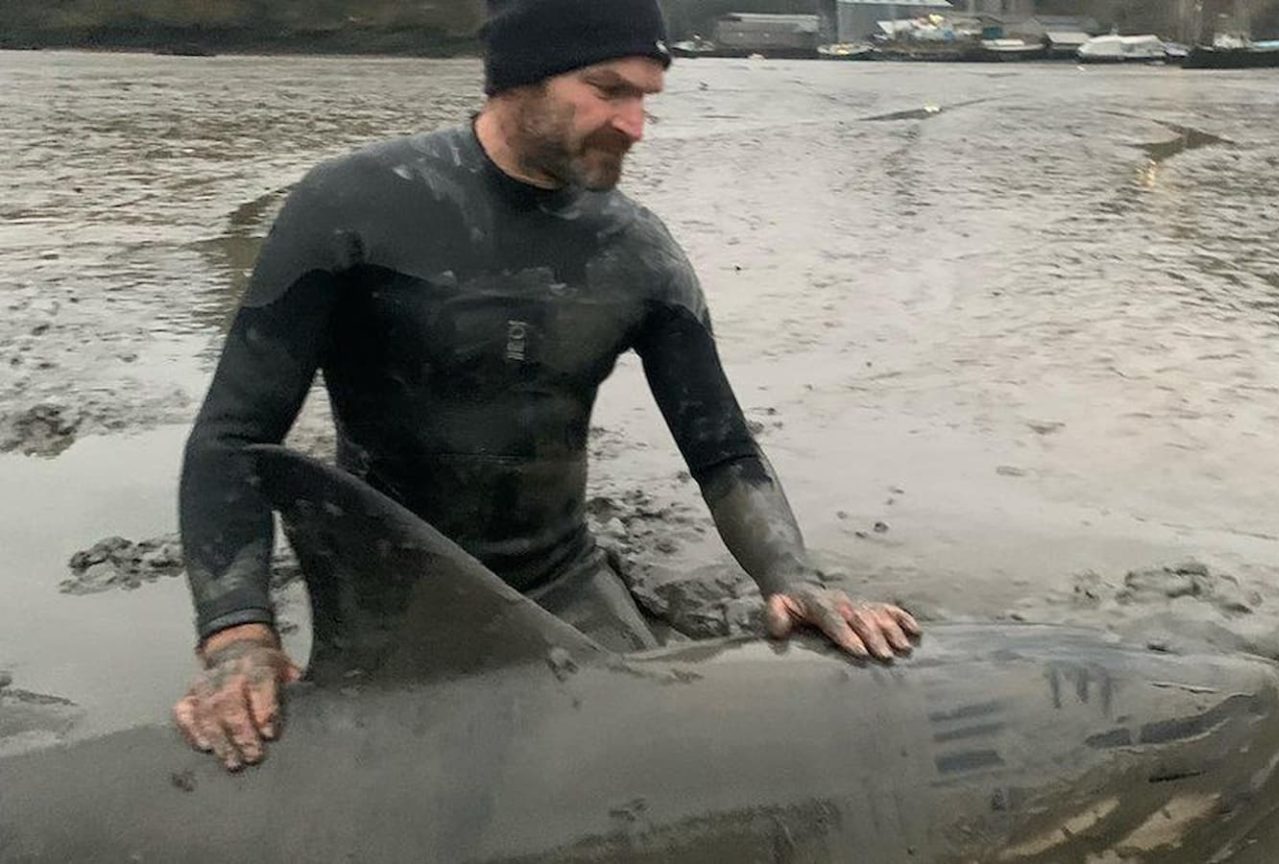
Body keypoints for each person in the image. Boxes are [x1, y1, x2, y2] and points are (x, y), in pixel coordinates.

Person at [173, 0, 921, 772]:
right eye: (609, 90)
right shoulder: (351, 206)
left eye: (645, 99)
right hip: (390, 585)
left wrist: (791, 578)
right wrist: (237, 632)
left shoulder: (640, 253)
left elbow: (722, 446)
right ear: (519, 77)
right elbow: (235, 434)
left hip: (563, 583)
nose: (634, 126)